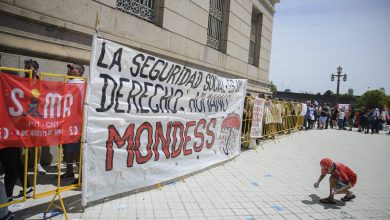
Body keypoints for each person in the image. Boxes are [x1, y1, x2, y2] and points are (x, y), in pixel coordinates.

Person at [61, 63, 85, 184]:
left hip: (76, 123)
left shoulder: (81, 84)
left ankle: (80, 176)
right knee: (67, 150)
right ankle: (69, 171)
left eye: (73, 68)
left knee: (76, 152)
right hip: (67, 122)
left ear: (79, 72)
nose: (70, 70)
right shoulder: (68, 83)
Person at [24, 59, 47, 175]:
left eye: (29, 67)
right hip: (21, 116)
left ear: (36, 70)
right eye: (25, 67)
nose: (26, 69)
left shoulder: (41, 83)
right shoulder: (19, 81)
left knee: (37, 141)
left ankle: (37, 165)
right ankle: (15, 165)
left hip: (36, 115)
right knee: (18, 140)